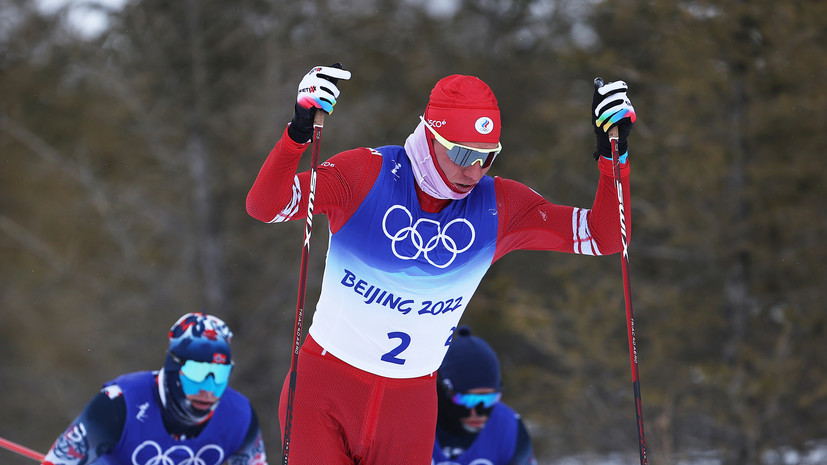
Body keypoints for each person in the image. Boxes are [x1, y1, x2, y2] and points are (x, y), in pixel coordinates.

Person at [246, 64, 636, 465]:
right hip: (323, 392)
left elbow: (605, 236)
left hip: (410, 408)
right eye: (464, 153)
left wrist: (613, 157)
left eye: (487, 157)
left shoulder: (499, 206)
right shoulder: (365, 174)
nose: (474, 171)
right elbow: (265, 206)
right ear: (432, 136)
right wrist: (298, 132)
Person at [41, 312, 268, 465]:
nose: (208, 390)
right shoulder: (119, 404)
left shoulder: (239, 416)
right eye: (197, 374)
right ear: (174, 369)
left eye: (220, 375)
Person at [433, 326, 536, 465]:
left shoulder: (508, 429)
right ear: (444, 392)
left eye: (489, 399)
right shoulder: (410, 422)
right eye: (469, 399)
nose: (479, 411)